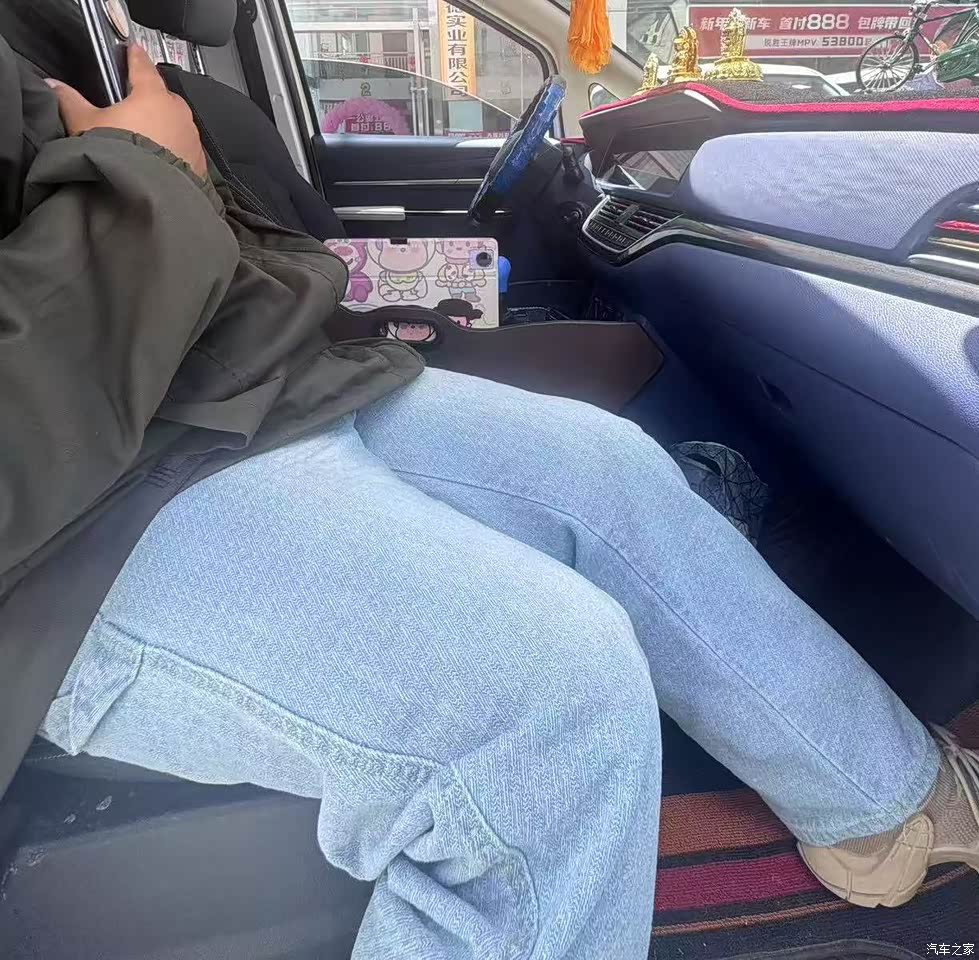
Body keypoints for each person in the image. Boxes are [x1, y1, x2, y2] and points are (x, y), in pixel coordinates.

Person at [2, 41, 977, 960]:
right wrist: (143, 181)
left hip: (203, 387)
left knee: (610, 473)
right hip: (71, 510)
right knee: (547, 690)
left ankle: (884, 809)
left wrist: (161, 195)